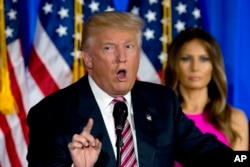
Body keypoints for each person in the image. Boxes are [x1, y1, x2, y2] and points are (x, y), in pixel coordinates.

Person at [27, 11, 234, 167]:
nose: (122, 57)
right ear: (88, 59)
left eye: (129, 46)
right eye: (109, 48)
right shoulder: (50, 115)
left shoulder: (162, 102)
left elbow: (207, 152)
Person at [164, 27, 249, 166]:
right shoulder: (162, 117)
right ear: (174, 64)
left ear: (214, 65)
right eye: (186, 59)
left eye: (204, 59)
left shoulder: (235, 118)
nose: (195, 67)